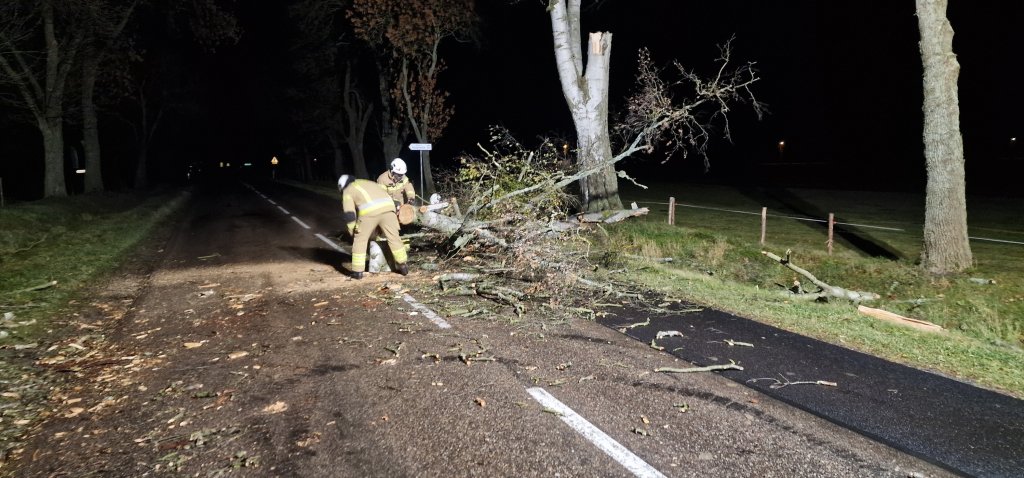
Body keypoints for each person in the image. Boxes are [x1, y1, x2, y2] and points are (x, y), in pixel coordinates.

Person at [338, 174, 409, 279]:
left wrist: (352, 230)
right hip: (389, 209)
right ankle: (403, 265)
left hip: (369, 212)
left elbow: (349, 214)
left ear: (341, 186)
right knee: (394, 237)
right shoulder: (367, 182)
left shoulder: (348, 190)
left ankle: (358, 272)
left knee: (360, 239)